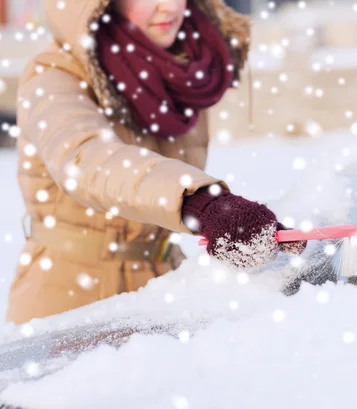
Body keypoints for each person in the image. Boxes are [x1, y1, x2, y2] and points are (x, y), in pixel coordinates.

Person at [7, 0, 307, 325]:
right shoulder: (54, 74)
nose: (168, 7)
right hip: (68, 298)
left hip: (161, 284)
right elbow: (86, 157)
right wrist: (200, 203)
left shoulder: (183, 71)